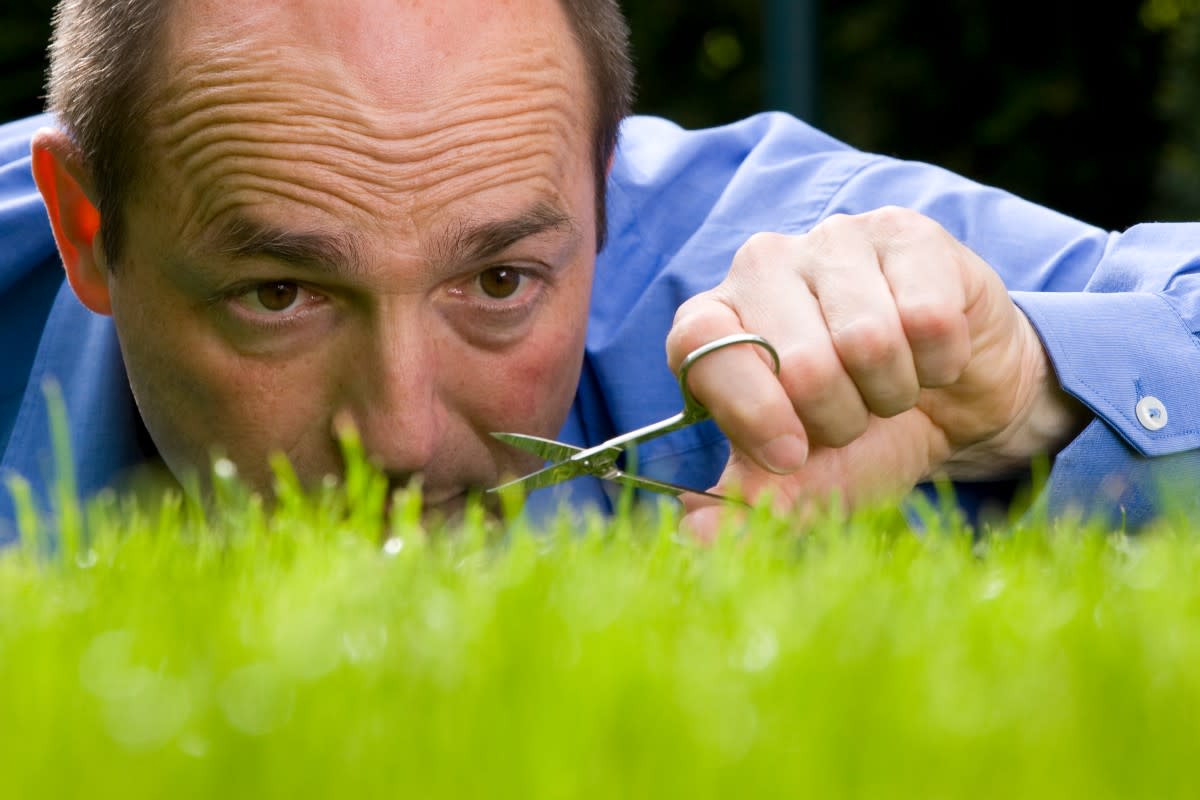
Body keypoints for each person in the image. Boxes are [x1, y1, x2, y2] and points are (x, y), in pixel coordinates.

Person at [1, 0, 1198, 544]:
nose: (404, 435)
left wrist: (1032, 384)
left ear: (600, 176)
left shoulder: (749, 268)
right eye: (279, 293)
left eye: (502, 280)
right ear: (83, 228)